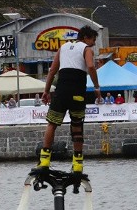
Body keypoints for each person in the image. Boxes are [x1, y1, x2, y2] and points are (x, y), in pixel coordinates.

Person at [35, 25, 102, 174]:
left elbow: (52, 70)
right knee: (77, 126)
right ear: (85, 38)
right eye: (93, 39)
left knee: (52, 124)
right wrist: (97, 87)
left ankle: (44, 161)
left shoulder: (63, 48)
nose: (94, 43)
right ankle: (77, 164)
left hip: (61, 90)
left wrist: (46, 91)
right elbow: (90, 67)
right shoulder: (87, 49)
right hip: (77, 91)